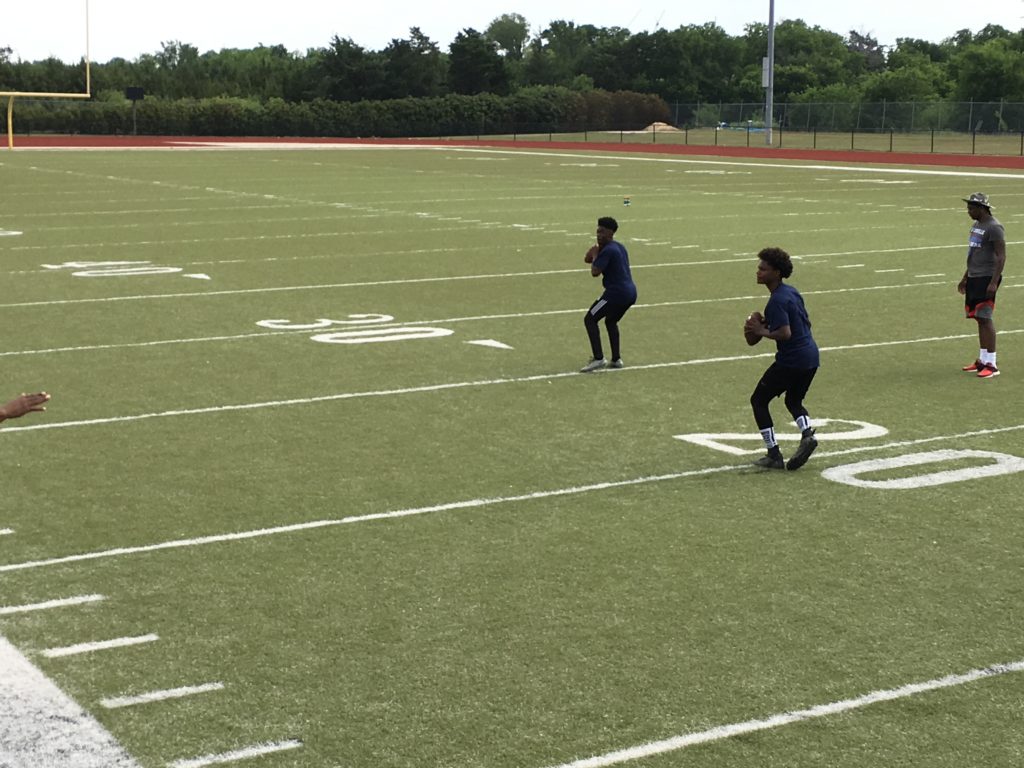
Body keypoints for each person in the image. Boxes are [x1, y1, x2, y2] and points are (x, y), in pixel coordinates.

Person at [744, 248, 819, 471]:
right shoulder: (791, 292)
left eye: (763, 269)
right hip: (811, 357)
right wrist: (769, 323)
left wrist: (760, 330)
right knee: (793, 401)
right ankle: (807, 434)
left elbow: (785, 333)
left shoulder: (776, 301)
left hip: (792, 360)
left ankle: (773, 454)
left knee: (758, 400)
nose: (758, 272)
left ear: (776, 272)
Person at [580, 216, 637, 373]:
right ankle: (616, 359)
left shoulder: (608, 250)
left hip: (615, 293)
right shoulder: (618, 247)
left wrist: (595, 254)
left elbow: (595, 272)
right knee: (611, 321)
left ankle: (598, 358)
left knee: (590, 318)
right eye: (598, 231)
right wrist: (594, 253)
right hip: (630, 293)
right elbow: (587, 259)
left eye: (602, 232)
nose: (599, 235)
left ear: (611, 233)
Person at [958, 193, 1006, 379]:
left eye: (971, 208)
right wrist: (965, 277)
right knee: (979, 318)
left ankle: (991, 364)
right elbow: (974, 253)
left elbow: (1001, 256)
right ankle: (982, 359)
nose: (968, 211)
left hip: (986, 277)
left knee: (985, 317)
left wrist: (994, 282)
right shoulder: (977, 226)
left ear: (982, 208)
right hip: (974, 276)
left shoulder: (994, 227)